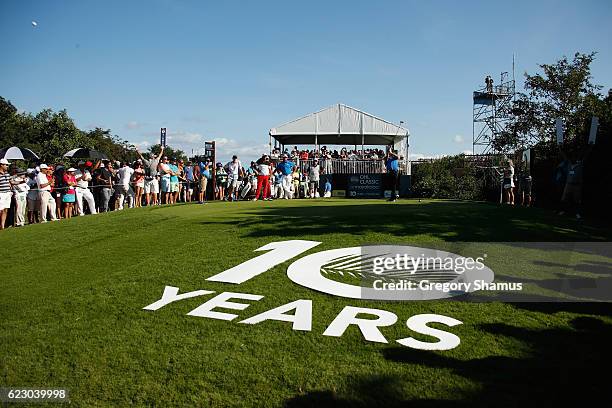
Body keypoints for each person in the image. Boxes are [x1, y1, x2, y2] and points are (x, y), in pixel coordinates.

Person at [0, 158, 16, 229]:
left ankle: (2, 225)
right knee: (0, 210)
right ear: (1, 165)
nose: (7, 166)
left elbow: (12, 182)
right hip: (1, 193)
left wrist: (21, 182)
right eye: (6, 165)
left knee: (6, 209)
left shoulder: (7, 174)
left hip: (7, 193)